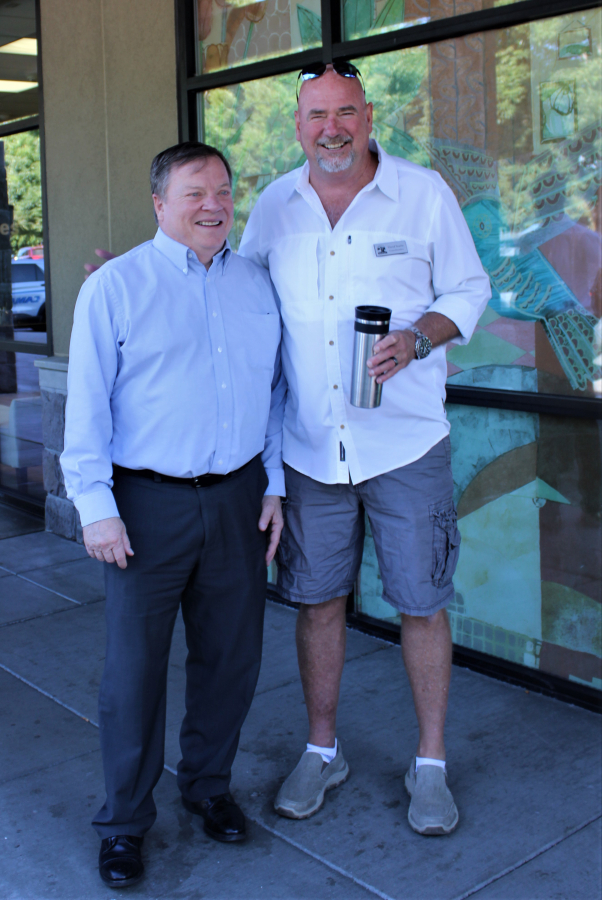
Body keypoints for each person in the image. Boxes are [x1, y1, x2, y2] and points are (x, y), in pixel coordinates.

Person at [238, 62, 491, 836]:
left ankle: (431, 764)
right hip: (310, 450)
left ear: (369, 114)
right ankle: (322, 750)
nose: (332, 129)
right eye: (317, 115)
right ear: (297, 126)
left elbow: (469, 289)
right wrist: (143, 279)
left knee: (420, 603)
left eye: (345, 112)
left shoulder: (421, 194)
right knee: (317, 603)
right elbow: (237, 297)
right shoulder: (273, 206)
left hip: (404, 444)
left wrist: (419, 338)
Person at [61, 141, 285, 888]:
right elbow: (86, 404)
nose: (214, 204)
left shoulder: (257, 283)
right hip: (143, 505)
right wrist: (95, 507)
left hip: (238, 499)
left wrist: (274, 485)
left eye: (222, 189)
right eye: (194, 192)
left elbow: (275, 397)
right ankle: (124, 823)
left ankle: (208, 788)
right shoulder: (116, 287)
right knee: (133, 674)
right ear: (159, 203)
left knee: (231, 661)